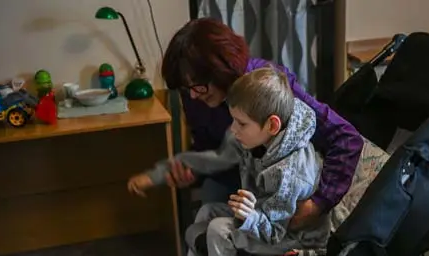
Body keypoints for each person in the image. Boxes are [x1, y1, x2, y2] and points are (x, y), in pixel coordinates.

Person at [127, 66, 330, 256]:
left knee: (219, 228)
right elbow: (213, 159)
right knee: (206, 211)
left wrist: (250, 216)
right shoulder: (257, 135)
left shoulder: (290, 173)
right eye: (232, 120)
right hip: (264, 214)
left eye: (240, 124)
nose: (233, 131)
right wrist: (158, 175)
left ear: (271, 125)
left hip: (294, 237)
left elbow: (275, 231)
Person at [156, 18, 364, 229]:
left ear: (220, 70)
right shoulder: (197, 95)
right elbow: (209, 148)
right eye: (186, 87)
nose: (192, 95)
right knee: (209, 207)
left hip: (282, 185)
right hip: (241, 180)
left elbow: (345, 137)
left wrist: (318, 204)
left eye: (197, 86)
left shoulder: (268, 89)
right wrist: (193, 172)